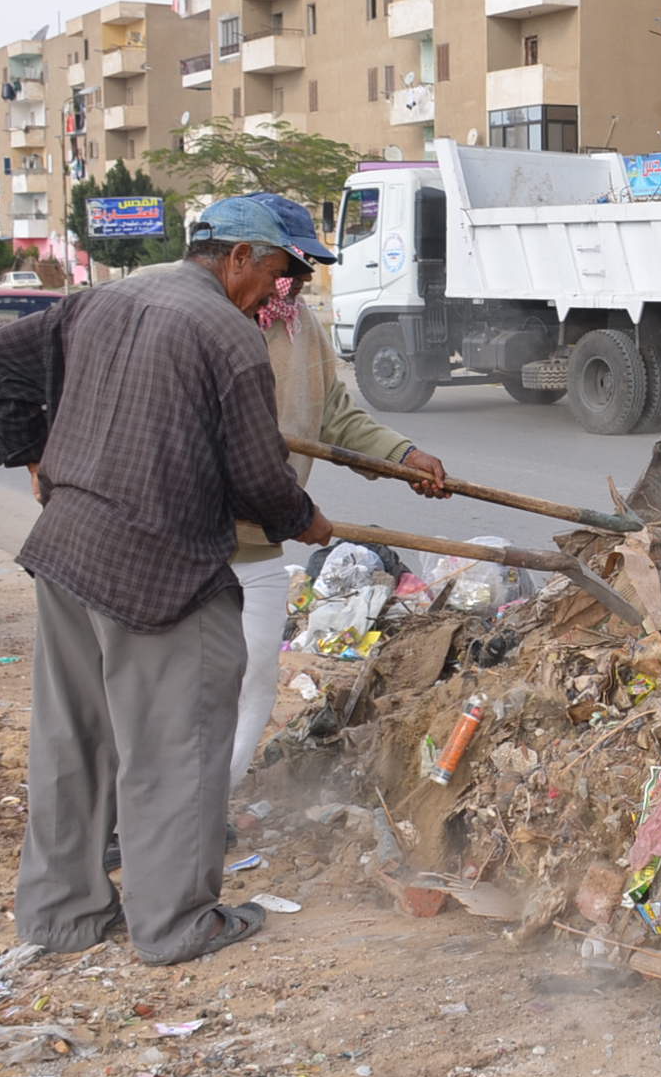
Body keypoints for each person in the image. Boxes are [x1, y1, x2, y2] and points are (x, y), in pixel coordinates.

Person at [0, 196, 338, 966]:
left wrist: (39, 464)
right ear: (236, 256)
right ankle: (175, 924)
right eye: (281, 272)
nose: (284, 291)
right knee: (179, 745)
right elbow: (256, 479)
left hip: (67, 551)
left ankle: (62, 914)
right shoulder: (227, 336)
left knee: (74, 739)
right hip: (159, 570)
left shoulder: (105, 298)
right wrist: (301, 517)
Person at [141, 191, 454, 794]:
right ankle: (142, 809)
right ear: (242, 258)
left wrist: (402, 457)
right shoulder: (168, 301)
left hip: (254, 538)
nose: (297, 285)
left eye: (301, 274)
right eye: (288, 270)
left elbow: (332, 414)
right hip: (170, 538)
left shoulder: (298, 326)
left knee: (252, 672)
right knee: (165, 682)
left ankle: (208, 804)